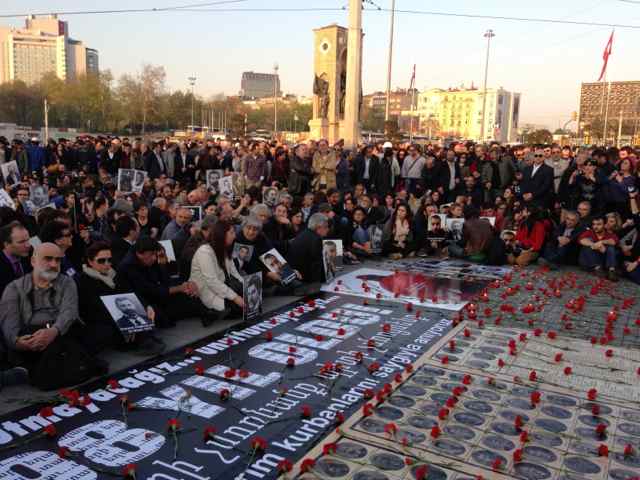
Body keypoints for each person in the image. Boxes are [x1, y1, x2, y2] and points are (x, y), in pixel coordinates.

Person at [0, 243, 106, 383]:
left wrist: (53, 331)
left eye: (58, 260)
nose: (53, 264)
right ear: (33, 261)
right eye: (48, 259)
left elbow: (69, 312)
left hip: (60, 334)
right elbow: (8, 325)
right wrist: (19, 342)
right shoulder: (14, 288)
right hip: (30, 340)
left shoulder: (67, 283)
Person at [78, 241, 164, 356]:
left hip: (121, 312)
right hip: (101, 319)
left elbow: (129, 291)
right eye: (101, 260)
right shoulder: (84, 280)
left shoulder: (113, 274)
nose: (107, 264)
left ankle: (142, 336)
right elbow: (95, 309)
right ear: (90, 261)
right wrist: (124, 324)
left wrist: (145, 306)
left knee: (153, 310)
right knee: (108, 330)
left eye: (109, 260)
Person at [118, 237, 218, 327]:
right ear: (139, 254)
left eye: (155, 254)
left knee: (186, 293)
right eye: (151, 255)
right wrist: (178, 288)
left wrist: (184, 286)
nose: (154, 258)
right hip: (142, 300)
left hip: (156, 292)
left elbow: (165, 280)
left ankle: (206, 312)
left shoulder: (150, 258)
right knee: (164, 315)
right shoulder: (128, 267)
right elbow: (150, 290)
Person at [190, 220, 244, 317]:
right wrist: (235, 297)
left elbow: (234, 272)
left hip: (222, 286)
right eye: (231, 233)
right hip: (207, 292)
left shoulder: (224, 248)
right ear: (222, 234)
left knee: (249, 298)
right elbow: (212, 281)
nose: (234, 236)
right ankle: (211, 311)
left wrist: (246, 287)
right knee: (240, 309)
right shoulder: (204, 251)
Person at [287, 213, 328, 285]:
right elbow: (316, 264)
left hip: (295, 273)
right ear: (318, 227)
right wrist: (322, 280)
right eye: (326, 227)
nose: (327, 229)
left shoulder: (304, 233)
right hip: (305, 278)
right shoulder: (316, 239)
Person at [578, 216, 619, 281]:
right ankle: (597, 269)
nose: (595, 227)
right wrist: (595, 245)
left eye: (599, 224)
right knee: (587, 246)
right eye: (594, 224)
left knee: (611, 247)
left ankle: (611, 271)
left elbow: (614, 241)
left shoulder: (609, 234)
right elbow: (581, 240)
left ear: (605, 225)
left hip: (602, 261)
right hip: (588, 262)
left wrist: (602, 242)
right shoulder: (589, 232)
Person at [0, 221, 32, 297]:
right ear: (6, 244)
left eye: (28, 240)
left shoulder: (31, 255)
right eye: (21, 242)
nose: (28, 245)